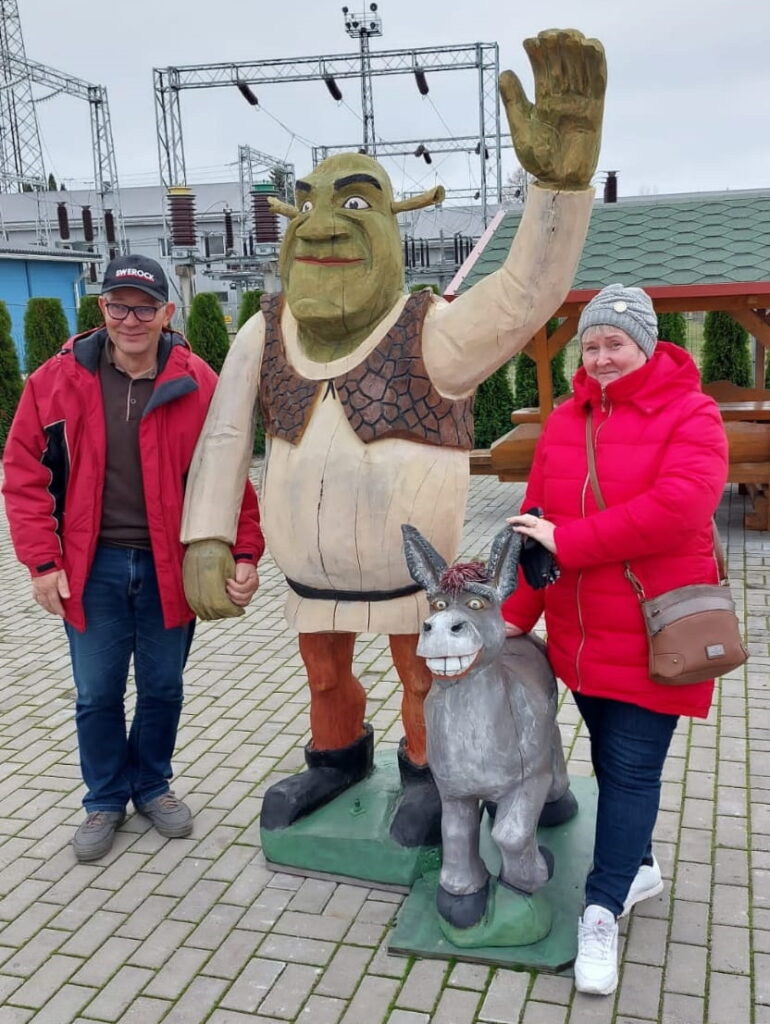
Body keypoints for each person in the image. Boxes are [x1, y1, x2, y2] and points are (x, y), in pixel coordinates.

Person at [179, 29, 606, 851]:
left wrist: (558, 188)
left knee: (422, 673)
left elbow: (526, 293)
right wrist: (206, 537)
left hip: (413, 577)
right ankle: (336, 756)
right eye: (306, 206)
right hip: (309, 576)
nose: (320, 227)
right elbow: (225, 435)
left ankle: (428, 770)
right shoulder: (263, 331)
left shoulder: (431, 331)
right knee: (323, 670)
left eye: (353, 205)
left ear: (394, 226)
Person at [501, 283, 728, 995]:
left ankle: (602, 908)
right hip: (580, 636)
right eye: (591, 344)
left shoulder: (693, 413)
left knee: (630, 771)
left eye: (616, 343)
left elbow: (679, 507)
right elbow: (535, 526)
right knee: (608, 759)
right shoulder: (565, 420)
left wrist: (571, 542)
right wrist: (511, 617)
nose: (600, 357)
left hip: (656, 635)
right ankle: (642, 864)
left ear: (648, 346)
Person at [2, 254, 264, 862]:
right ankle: (103, 799)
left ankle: (151, 786)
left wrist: (246, 550)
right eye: (119, 306)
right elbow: (22, 475)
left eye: (145, 309)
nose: (131, 320)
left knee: (163, 687)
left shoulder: (197, 382)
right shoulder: (56, 381)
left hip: (169, 567)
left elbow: (230, 472)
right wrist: (42, 563)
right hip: (91, 568)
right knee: (96, 693)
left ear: (167, 313)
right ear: (102, 309)